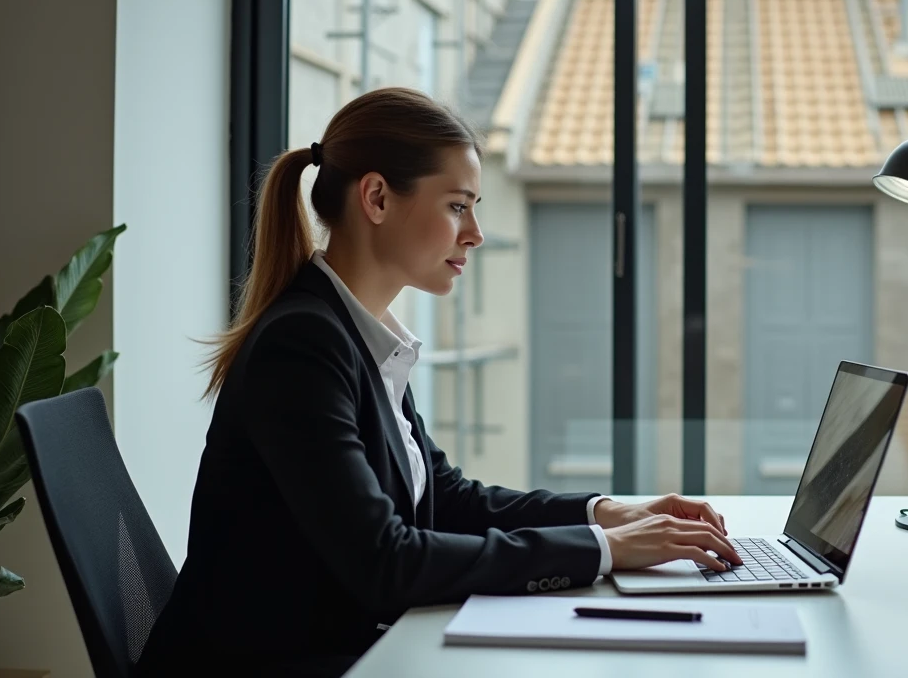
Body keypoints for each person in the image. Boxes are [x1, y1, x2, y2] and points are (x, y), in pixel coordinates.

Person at [137, 87, 742, 677]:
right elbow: (386, 560)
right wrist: (605, 550)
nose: (474, 232)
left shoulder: (359, 335)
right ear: (376, 197)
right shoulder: (303, 345)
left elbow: (447, 500)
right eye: (458, 205)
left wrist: (609, 514)